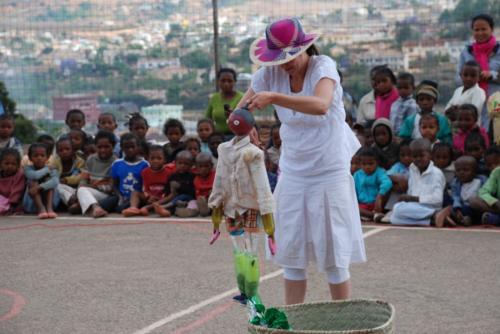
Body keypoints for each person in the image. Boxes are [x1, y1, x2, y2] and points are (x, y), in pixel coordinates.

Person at [242, 17, 365, 303]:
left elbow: (320, 105)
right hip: (294, 169)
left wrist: (274, 98)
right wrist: (245, 125)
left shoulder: (323, 67)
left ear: (305, 49)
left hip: (329, 168)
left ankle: (344, 318)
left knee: (334, 252)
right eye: (279, 58)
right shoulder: (267, 75)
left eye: (291, 56)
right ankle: (294, 320)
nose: (285, 63)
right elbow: (239, 113)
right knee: (291, 250)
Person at [456, 14, 500, 129]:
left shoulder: (499, 50)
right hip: (472, 105)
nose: (480, 33)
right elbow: (458, 77)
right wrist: (471, 78)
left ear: (492, 29)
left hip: (496, 103)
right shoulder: (467, 52)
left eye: (484, 29)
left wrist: (492, 75)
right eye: (476, 30)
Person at [390, 139, 446, 227]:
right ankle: (433, 219)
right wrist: (407, 199)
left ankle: (435, 213)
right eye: (415, 156)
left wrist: (413, 198)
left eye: (422, 156)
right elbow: (411, 192)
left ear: (430, 155)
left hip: (430, 207)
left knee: (397, 209)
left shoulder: (436, 173)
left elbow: (438, 199)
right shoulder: (412, 169)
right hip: (415, 208)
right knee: (394, 219)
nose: (418, 159)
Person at [75, 131, 117, 218]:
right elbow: (84, 180)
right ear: (95, 146)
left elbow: (111, 188)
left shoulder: (116, 162)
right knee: (64, 188)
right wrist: (77, 193)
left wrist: (93, 187)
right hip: (90, 191)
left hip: (105, 195)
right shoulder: (91, 159)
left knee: (82, 191)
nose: (103, 150)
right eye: (99, 147)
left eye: (106, 147)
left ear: (113, 146)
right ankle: (88, 204)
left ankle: (94, 207)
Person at [122, 145, 171, 217]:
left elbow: (169, 190)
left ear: (164, 160)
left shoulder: (169, 172)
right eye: (152, 158)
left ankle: (159, 210)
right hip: (150, 198)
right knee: (135, 192)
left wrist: (160, 198)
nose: (155, 161)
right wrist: (149, 197)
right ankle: (133, 208)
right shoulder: (145, 172)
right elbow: (145, 188)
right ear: (147, 159)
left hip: (162, 198)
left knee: (170, 197)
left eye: (159, 158)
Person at [438, 156, 486, 226]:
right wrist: (457, 208)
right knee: (445, 198)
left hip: (474, 207)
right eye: (458, 170)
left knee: (473, 209)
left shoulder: (481, 181)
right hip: (459, 206)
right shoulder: (456, 183)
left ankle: (461, 219)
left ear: (474, 171)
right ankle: (456, 217)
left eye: (466, 170)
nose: (461, 173)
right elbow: (456, 197)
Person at [111, 133, 149, 213]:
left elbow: (146, 186)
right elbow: (114, 184)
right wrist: (119, 196)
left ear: (138, 147)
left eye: (132, 147)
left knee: (119, 209)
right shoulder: (117, 164)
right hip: (122, 196)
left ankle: (133, 208)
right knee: (104, 204)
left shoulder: (145, 164)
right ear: (122, 148)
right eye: (127, 147)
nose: (130, 150)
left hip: (137, 198)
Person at [353, 147, 392, 221]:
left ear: (377, 162)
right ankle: (374, 215)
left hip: (377, 204)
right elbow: (354, 190)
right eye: (364, 164)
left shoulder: (380, 172)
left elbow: (387, 182)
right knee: (353, 207)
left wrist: (380, 195)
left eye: (371, 163)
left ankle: (371, 215)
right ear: (360, 164)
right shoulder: (357, 175)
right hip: (363, 205)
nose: (367, 167)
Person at [153, 150, 196, 217]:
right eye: (180, 163)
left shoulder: (192, 176)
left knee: (182, 196)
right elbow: (167, 190)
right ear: (175, 163)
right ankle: (166, 212)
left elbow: (193, 192)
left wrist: (180, 186)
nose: (182, 165)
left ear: (191, 165)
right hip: (174, 199)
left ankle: (165, 207)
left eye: (186, 164)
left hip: (187, 199)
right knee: (173, 200)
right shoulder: (172, 176)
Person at [23, 143, 59, 219]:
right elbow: (34, 176)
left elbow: (55, 182)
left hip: (51, 203)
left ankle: (49, 209)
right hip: (31, 205)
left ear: (47, 157)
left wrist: (39, 187)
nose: (39, 158)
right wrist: (47, 169)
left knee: (49, 181)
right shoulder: (28, 169)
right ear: (30, 158)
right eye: (36, 156)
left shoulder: (52, 169)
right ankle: (41, 209)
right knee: (33, 182)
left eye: (42, 156)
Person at [205, 68, 244, 139]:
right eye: (223, 81)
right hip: (218, 138)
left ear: (235, 82)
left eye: (229, 81)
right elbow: (207, 119)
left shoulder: (242, 98)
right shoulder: (214, 98)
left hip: (237, 137)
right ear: (218, 82)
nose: (226, 84)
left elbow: (247, 119)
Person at [176, 152, 215, 218]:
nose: (203, 169)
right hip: (199, 200)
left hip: (211, 199)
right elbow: (197, 187)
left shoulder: (214, 175)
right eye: (200, 166)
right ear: (196, 167)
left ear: (211, 166)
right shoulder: (195, 177)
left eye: (206, 166)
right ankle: (189, 211)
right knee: (193, 203)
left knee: (213, 194)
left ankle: (207, 210)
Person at [51, 137, 85, 212]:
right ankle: (73, 202)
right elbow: (53, 177)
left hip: (76, 189)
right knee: (57, 186)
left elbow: (82, 177)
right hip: (63, 191)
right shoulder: (55, 162)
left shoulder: (80, 161)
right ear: (57, 152)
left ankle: (75, 203)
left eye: (67, 149)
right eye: (61, 150)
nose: (64, 152)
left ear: (73, 150)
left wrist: (67, 180)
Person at [0, 148, 25, 215]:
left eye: (13, 164)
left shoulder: (19, 175)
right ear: (0, 164)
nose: (10, 166)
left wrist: (10, 205)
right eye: (6, 163)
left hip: (14, 204)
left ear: (18, 166)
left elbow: (16, 192)